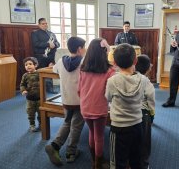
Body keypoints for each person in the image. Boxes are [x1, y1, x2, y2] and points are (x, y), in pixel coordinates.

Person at [106, 44, 154, 169]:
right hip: (137, 125)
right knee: (136, 159)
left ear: (115, 63)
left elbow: (108, 98)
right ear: (135, 61)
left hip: (118, 127)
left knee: (117, 162)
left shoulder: (112, 81)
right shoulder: (143, 80)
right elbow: (148, 98)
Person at [45, 37, 86, 166]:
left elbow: (54, 70)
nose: (85, 50)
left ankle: (55, 145)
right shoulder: (84, 63)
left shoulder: (61, 60)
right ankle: (71, 152)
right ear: (79, 49)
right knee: (76, 126)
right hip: (80, 101)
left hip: (66, 99)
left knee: (68, 122)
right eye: (84, 47)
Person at [78, 38, 115, 169]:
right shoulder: (110, 71)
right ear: (104, 52)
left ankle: (94, 160)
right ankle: (98, 164)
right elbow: (110, 93)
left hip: (85, 106)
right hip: (99, 107)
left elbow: (79, 89)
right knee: (99, 136)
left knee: (91, 132)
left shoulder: (83, 68)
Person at [135, 54, 155, 169]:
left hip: (130, 111)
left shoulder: (129, 77)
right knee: (145, 141)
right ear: (147, 68)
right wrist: (152, 116)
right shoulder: (147, 82)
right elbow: (151, 102)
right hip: (143, 114)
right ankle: (144, 164)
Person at [31, 18, 60, 93]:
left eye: (46, 23)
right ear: (39, 25)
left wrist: (54, 44)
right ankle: (41, 90)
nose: (45, 25)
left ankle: (50, 89)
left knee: (50, 72)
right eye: (43, 24)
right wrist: (48, 44)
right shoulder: (35, 33)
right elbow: (36, 44)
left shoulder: (51, 33)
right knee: (41, 72)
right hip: (41, 56)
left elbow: (58, 43)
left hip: (51, 56)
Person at [20, 57, 40, 132]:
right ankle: (32, 125)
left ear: (35, 65)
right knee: (30, 113)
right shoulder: (25, 76)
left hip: (39, 98)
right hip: (30, 99)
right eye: (26, 65)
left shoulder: (39, 73)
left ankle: (41, 124)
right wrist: (23, 90)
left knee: (41, 113)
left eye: (30, 64)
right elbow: (22, 84)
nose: (28, 66)